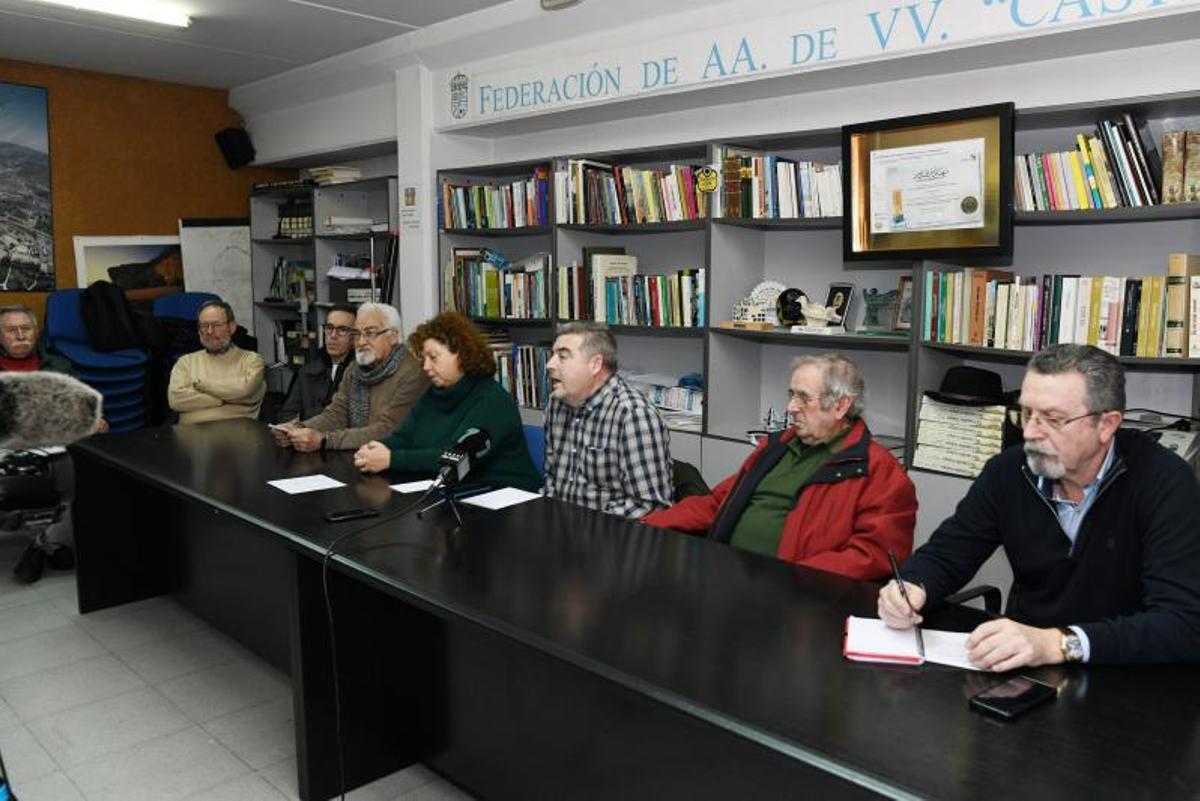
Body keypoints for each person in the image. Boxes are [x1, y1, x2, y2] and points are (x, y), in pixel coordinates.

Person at [879, 344, 1200, 667]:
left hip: (1130, 679)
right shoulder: (1008, 471)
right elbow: (947, 555)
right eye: (1026, 413)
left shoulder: (1165, 483)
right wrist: (912, 586)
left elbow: (1182, 625)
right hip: (1026, 671)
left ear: (1106, 425)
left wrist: (1057, 643)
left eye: (1052, 419)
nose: (1030, 433)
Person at [644, 354, 916, 580]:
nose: (790, 407)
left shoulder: (880, 471)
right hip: (723, 577)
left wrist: (788, 576)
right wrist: (644, 526)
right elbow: (718, 503)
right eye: (791, 395)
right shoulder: (774, 447)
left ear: (841, 406)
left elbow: (873, 556)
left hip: (801, 601)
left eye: (803, 398)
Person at [354, 311, 540, 491]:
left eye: (433, 358)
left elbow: (453, 457)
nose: (426, 367)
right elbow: (404, 437)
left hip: (506, 498)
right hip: (459, 492)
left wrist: (391, 459)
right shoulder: (435, 393)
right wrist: (375, 450)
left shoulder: (492, 400)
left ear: (462, 354)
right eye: (424, 358)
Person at [0, 304, 106, 582]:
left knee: (72, 469)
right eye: (12, 330)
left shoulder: (58, 365)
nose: (20, 335)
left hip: (52, 444)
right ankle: (45, 544)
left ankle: (39, 546)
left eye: (26, 329)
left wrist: (95, 419)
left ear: (36, 333)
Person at [542, 322, 672, 518]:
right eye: (553, 355)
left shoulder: (633, 415)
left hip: (612, 538)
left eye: (562, 356)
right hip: (562, 531)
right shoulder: (556, 404)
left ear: (595, 364)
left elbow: (650, 507)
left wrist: (584, 528)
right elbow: (552, 482)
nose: (549, 364)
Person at [273, 303, 427, 452]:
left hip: (396, 465)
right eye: (357, 334)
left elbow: (388, 430)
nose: (361, 342)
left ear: (393, 336)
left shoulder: (412, 374)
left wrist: (325, 440)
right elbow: (336, 414)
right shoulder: (354, 369)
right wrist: (298, 429)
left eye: (370, 333)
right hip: (357, 458)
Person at [168, 299, 265, 424]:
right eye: (204, 325)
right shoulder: (185, 362)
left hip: (238, 435)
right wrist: (226, 398)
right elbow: (176, 400)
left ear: (232, 327)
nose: (209, 331)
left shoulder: (251, 360)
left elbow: (246, 390)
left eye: (216, 325)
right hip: (191, 436)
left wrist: (201, 385)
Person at [275, 304, 357, 423]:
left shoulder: (362, 373)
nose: (333, 336)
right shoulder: (307, 371)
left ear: (355, 336)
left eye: (342, 330)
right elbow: (286, 415)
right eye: (329, 328)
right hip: (302, 439)